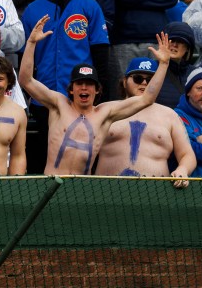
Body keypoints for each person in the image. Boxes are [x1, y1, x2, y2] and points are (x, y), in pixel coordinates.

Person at [19, 15, 171, 175]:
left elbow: (147, 99)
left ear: (97, 90)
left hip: (83, 188)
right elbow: (26, 80)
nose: (84, 88)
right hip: (52, 184)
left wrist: (164, 64)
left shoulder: (105, 113)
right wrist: (31, 43)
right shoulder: (58, 104)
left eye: (89, 84)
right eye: (79, 84)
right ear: (71, 89)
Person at [21, 0, 110, 173]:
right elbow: (24, 57)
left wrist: (102, 91)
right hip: (44, 97)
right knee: (45, 156)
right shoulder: (33, 10)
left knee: (82, 157)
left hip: (81, 96)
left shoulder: (88, 6)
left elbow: (101, 52)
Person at [96, 57, 196, 187]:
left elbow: (187, 154)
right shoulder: (105, 109)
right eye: (138, 78)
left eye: (150, 80)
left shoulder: (170, 115)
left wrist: (183, 169)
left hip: (156, 194)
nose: (144, 83)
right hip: (105, 191)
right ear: (125, 81)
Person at [156, 21, 195, 108]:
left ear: (188, 48)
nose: (175, 45)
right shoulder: (150, 69)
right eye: (171, 40)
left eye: (181, 41)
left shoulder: (196, 74)